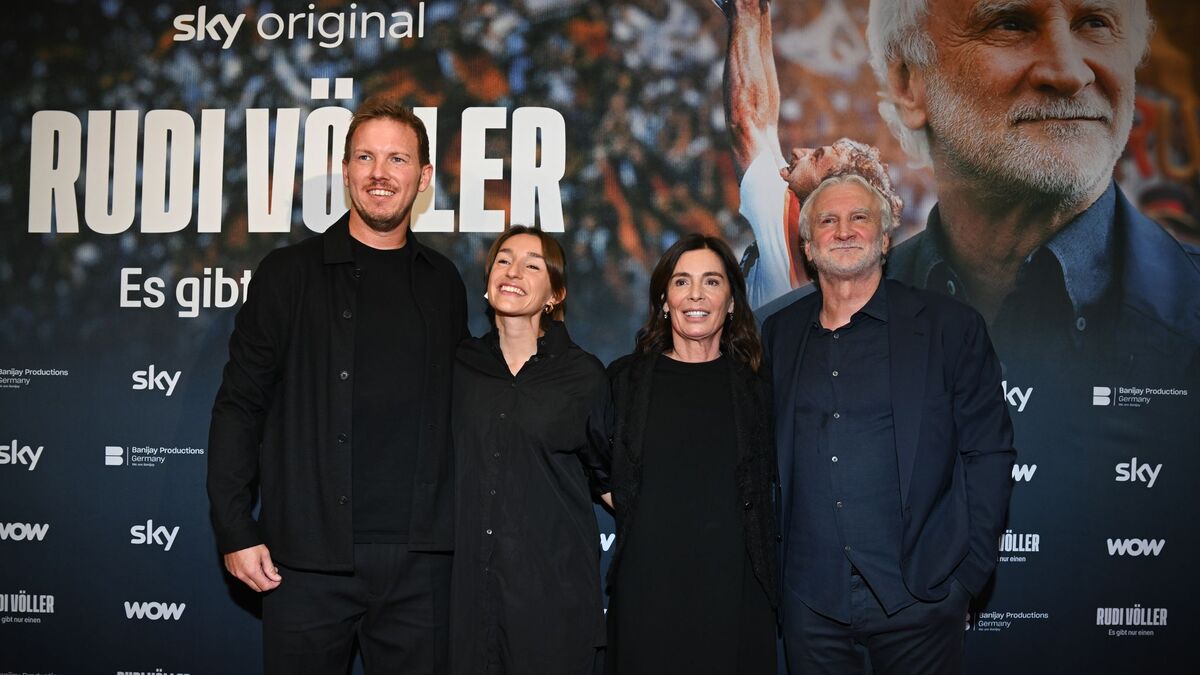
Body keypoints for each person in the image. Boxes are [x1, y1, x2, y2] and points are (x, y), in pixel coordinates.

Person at [207, 96, 468, 675]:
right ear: (346, 169)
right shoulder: (287, 274)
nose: (381, 174)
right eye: (366, 157)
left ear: (423, 177)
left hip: (421, 564)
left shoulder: (443, 283)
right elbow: (240, 406)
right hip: (304, 562)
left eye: (398, 160)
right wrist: (234, 527)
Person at [761, 173, 1015, 674]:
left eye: (860, 218)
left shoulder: (949, 327)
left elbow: (988, 452)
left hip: (921, 598)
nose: (844, 230)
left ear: (884, 239)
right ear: (809, 247)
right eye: (828, 221)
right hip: (811, 602)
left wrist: (965, 578)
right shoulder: (779, 335)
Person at [592, 234, 778, 675]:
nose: (696, 295)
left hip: (735, 589)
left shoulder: (756, 388)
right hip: (648, 588)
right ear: (664, 299)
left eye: (711, 282)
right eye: (682, 282)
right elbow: (593, 457)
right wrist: (631, 503)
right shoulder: (625, 381)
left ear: (731, 302)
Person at [450, 225, 607, 675]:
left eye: (532, 265)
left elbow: (611, 478)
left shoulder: (584, 377)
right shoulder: (459, 365)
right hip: (469, 604)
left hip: (553, 600)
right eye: (503, 260)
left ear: (555, 294)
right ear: (486, 281)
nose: (513, 270)